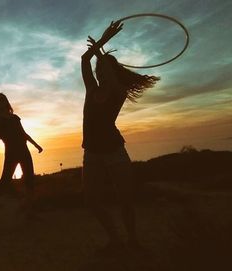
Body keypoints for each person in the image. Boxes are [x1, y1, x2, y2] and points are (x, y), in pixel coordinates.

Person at [80, 20, 160, 253]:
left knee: (125, 199)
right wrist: (104, 42)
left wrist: (104, 56)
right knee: (91, 201)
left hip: (115, 151)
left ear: (111, 71)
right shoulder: (91, 89)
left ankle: (132, 240)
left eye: (103, 68)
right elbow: (85, 60)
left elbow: (112, 78)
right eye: (98, 69)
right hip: (92, 152)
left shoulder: (118, 92)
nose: (98, 70)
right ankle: (115, 239)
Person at [0, 93, 43, 222]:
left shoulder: (15, 118)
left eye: (3, 100)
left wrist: (36, 145)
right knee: (4, 182)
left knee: (29, 182)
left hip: (24, 151)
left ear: (6, 102)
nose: (1, 103)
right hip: (11, 153)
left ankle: (29, 213)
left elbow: (23, 134)